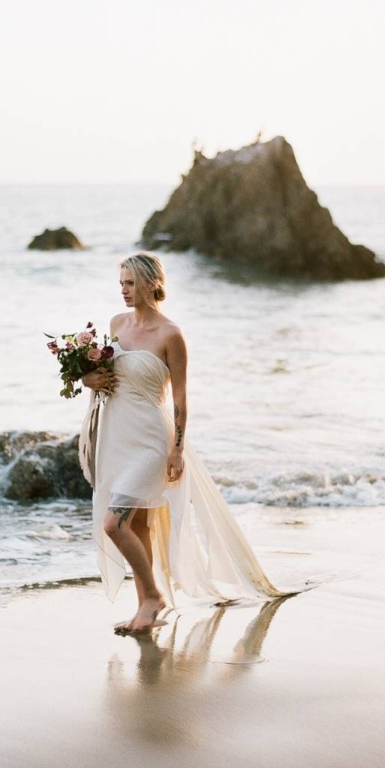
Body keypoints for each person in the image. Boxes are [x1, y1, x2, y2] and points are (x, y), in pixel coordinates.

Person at [79, 252, 287, 634]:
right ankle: (144, 606)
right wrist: (88, 379)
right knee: (138, 524)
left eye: (130, 283)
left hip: (151, 442)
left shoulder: (171, 335)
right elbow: (106, 377)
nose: (123, 291)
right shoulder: (116, 324)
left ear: (150, 284)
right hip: (116, 436)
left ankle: (154, 596)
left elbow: (180, 399)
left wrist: (176, 449)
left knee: (114, 523)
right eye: (120, 283)